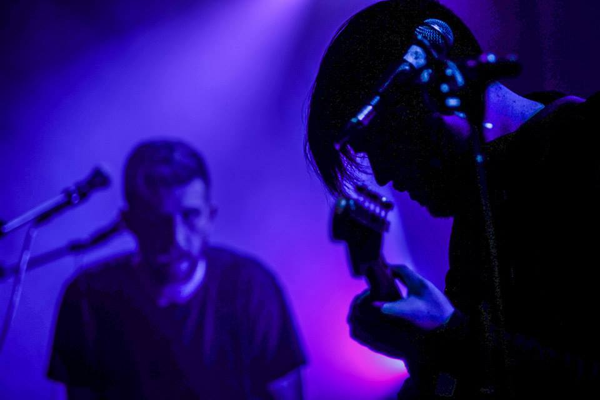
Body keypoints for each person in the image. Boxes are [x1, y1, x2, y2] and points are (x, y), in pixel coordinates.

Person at [305, 0, 600, 398]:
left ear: (439, 91)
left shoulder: (587, 150)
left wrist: (452, 337)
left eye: (385, 144)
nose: (384, 175)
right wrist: (422, 346)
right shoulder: (480, 210)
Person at [48, 139, 306, 399]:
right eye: (156, 220)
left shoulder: (251, 288)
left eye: (190, 216)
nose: (176, 239)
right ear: (130, 222)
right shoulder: (88, 297)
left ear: (210, 216)